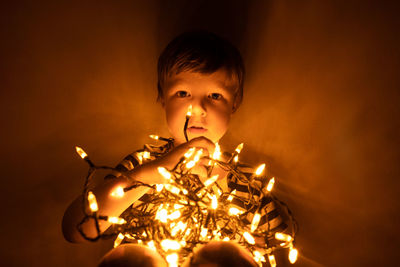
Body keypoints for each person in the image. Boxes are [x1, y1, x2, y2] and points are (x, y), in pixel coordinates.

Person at [62, 31, 292, 266]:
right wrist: (153, 173)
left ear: (235, 101)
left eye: (214, 95)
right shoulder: (143, 164)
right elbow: (76, 230)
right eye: (183, 93)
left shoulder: (249, 185)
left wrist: (259, 247)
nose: (198, 108)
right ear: (162, 97)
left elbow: (282, 248)